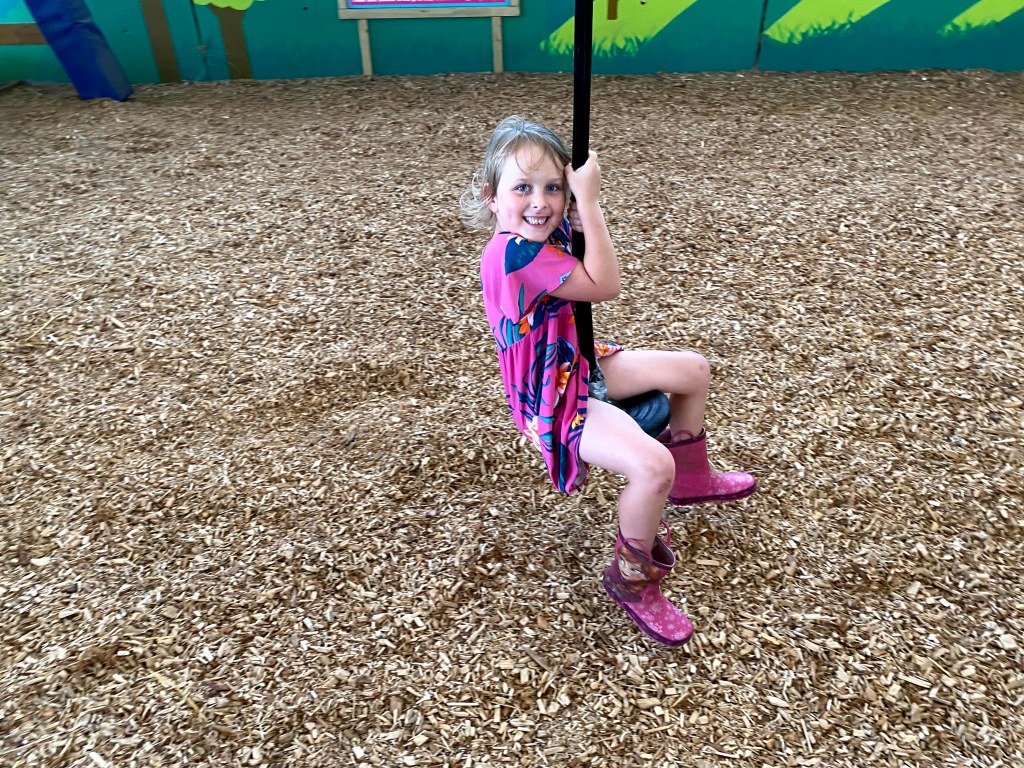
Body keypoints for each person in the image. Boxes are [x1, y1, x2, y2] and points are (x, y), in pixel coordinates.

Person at [462, 115, 756, 647]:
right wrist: (591, 207)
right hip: (549, 393)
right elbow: (605, 284)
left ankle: (692, 479)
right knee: (652, 466)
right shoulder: (513, 252)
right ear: (491, 197)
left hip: (576, 361)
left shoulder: (539, 238)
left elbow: (586, 265)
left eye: (554, 188)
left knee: (692, 370)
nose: (540, 202)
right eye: (522, 188)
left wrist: (579, 213)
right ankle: (632, 581)